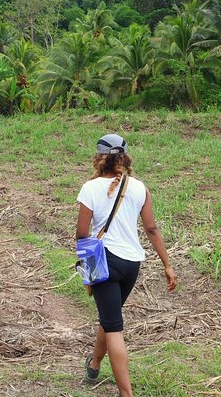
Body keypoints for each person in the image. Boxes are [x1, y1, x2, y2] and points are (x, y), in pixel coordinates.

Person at [75, 134, 177, 397]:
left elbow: (82, 233)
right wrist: (168, 265)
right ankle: (94, 364)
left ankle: (126, 393)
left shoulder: (90, 188)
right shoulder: (140, 187)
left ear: (99, 158)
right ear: (125, 157)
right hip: (132, 264)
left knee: (114, 328)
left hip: (104, 261)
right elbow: (152, 228)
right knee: (110, 318)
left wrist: (86, 264)